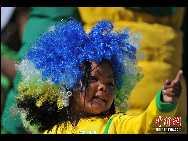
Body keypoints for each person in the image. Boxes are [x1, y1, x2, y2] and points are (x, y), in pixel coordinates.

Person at [15, 20, 183, 134]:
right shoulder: (53, 130)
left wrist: (164, 104)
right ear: (70, 82)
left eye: (110, 83)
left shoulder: (116, 125)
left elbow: (147, 126)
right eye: (94, 79)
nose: (104, 87)